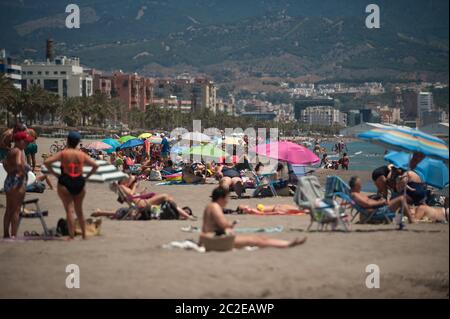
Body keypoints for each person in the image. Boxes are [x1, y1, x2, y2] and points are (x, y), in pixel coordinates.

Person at [200, 187, 307, 249]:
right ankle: (287, 244)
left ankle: (286, 244)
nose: (227, 201)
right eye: (226, 198)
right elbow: (224, 224)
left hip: (211, 239)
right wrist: (231, 224)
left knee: (257, 239)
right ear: (221, 198)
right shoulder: (215, 207)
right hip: (214, 241)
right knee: (255, 240)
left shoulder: (211, 206)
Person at [44, 132, 99, 239]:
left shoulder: (64, 153)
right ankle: (84, 235)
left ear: (68, 141)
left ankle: (71, 235)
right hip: (79, 181)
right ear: (78, 142)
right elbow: (95, 166)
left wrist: (55, 174)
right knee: (79, 210)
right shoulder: (81, 154)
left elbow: (47, 162)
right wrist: (86, 177)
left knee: (69, 210)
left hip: (65, 181)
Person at [2, 131, 34, 238]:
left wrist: (11, 171)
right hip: (17, 182)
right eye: (25, 142)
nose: (27, 144)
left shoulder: (10, 151)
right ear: (19, 141)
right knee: (16, 209)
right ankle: (14, 234)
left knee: (8, 209)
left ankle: (6, 233)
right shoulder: (19, 151)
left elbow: (5, 164)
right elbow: (19, 164)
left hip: (9, 180)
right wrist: (24, 170)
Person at [349, 176, 414, 223]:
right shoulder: (355, 195)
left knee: (402, 199)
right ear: (355, 185)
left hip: (378, 208)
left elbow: (367, 202)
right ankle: (411, 220)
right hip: (378, 210)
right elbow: (367, 204)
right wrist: (381, 202)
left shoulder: (357, 194)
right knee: (401, 199)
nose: (361, 185)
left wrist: (379, 200)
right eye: (359, 184)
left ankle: (409, 217)